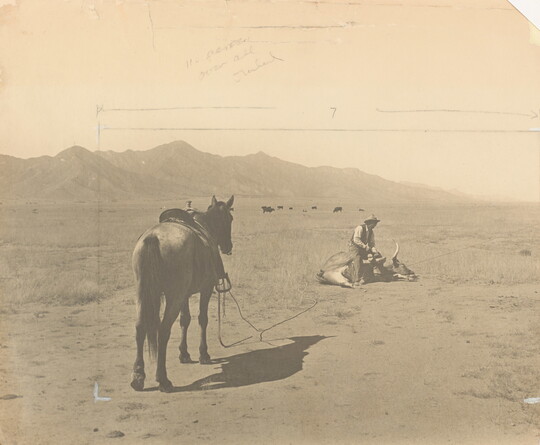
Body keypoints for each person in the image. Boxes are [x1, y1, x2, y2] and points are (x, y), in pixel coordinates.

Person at [348, 214, 384, 285]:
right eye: (374, 223)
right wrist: (365, 247)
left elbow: (372, 243)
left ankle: (377, 273)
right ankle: (357, 279)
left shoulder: (371, 231)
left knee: (378, 256)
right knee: (357, 259)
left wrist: (374, 250)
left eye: (375, 223)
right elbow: (356, 239)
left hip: (363, 247)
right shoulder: (360, 228)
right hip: (355, 247)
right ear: (369, 222)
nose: (375, 225)